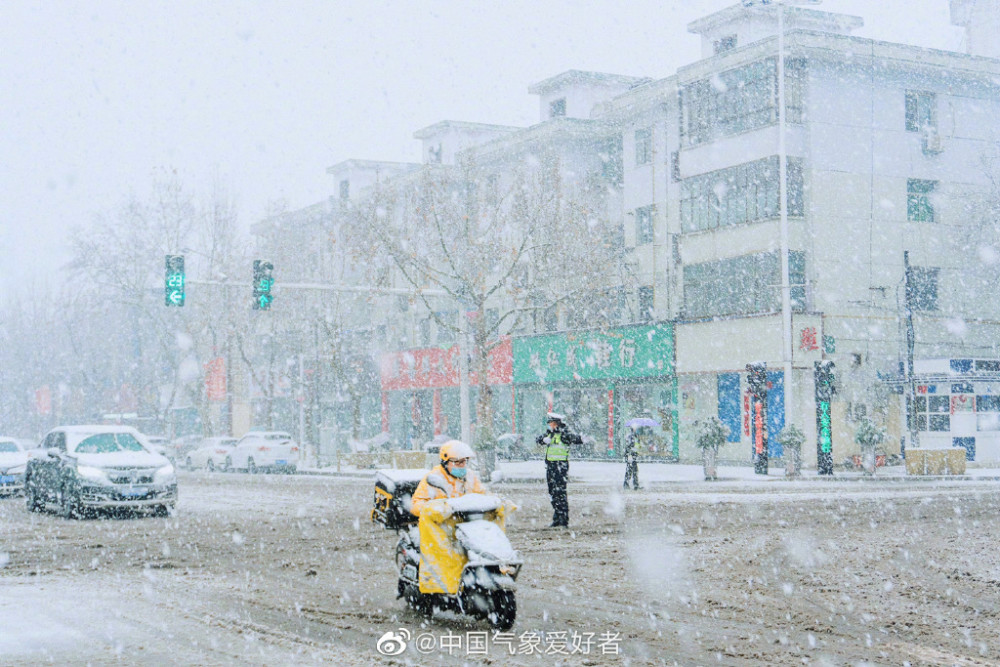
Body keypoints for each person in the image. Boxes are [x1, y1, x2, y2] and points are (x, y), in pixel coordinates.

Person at [410, 439, 485, 517]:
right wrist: (434, 509)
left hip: (466, 521)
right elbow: (416, 504)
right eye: (457, 461)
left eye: (464, 461)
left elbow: (483, 495)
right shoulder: (434, 477)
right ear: (445, 462)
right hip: (440, 523)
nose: (461, 465)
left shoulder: (470, 476)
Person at [536, 412, 581, 528]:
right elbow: (539, 439)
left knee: (560, 492)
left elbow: (575, 439)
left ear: (556, 423)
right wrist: (543, 439)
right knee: (552, 492)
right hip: (551, 466)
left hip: (561, 467)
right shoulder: (550, 434)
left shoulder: (564, 433)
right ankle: (557, 517)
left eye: (550, 423)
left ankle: (563, 519)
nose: (549, 425)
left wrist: (581, 439)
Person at [623, 425, 641, 490]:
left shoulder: (635, 436)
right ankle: (628, 484)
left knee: (634, 470)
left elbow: (637, 446)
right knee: (630, 470)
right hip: (630, 455)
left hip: (633, 455)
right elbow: (629, 446)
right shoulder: (630, 436)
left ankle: (635, 484)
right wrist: (631, 452)